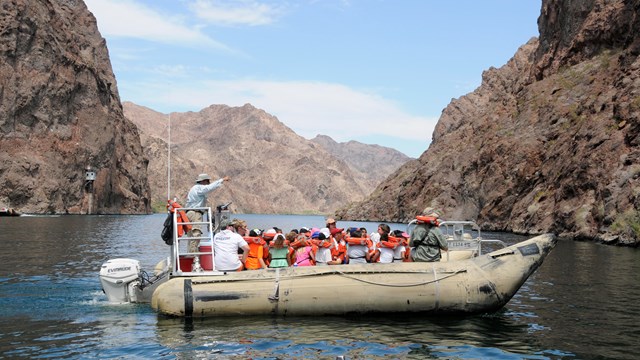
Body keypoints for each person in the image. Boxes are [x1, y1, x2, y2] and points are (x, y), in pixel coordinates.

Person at [184, 173, 230, 253]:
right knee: (196, 234)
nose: (208, 183)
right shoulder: (199, 188)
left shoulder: (195, 188)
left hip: (190, 213)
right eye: (207, 181)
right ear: (203, 181)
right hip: (195, 214)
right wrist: (222, 180)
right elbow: (209, 188)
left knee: (191, 235)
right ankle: (193, 256)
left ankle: (190, 254)